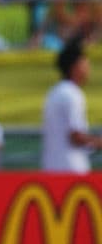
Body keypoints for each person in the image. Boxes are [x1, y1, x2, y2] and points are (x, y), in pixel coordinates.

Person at [41, 38, 102, 172]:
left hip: (52, 168)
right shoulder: (72, 94)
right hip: (70, 169)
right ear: (75, 67)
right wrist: (99, 142)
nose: (88, 69)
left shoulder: (54, 92)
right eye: (85, 64)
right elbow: (76, 136)